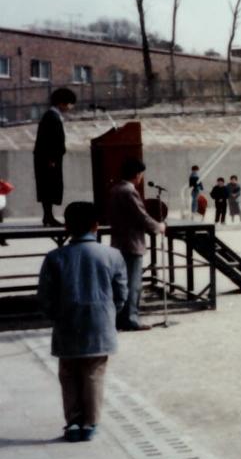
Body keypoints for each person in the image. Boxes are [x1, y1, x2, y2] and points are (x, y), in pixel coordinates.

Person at [37, 201, 128, 442]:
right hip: (99, 323)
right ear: (96, 226)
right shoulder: (112, 255)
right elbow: (121, 293)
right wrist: (110, 312)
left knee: (68, 373)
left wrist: (55, 314)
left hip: (67, 321)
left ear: (66, 226)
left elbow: (45, 295)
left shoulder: (55, 257)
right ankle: (91, 421)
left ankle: (73, 421)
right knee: (93, 372)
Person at [108, 158, 165, 331]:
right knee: (133, 284)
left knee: (120, 283)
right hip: (132, 242)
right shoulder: (129, 191)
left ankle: (118, 317)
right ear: (138, 174)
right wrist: (159, 227)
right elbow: (141, 216)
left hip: (118, 241)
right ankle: (130, 319)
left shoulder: (115, 189)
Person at [34, 87, 76, 227]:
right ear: (61, 103)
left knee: (49, 187)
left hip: (49, 158)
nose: (70, 107)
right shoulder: (52, 117)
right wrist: (51, 159)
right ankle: (48, 216)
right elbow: (49, 141)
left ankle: (48, 216)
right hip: (49, 159)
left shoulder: (52, 116)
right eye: (69, 103)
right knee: (49, 187)